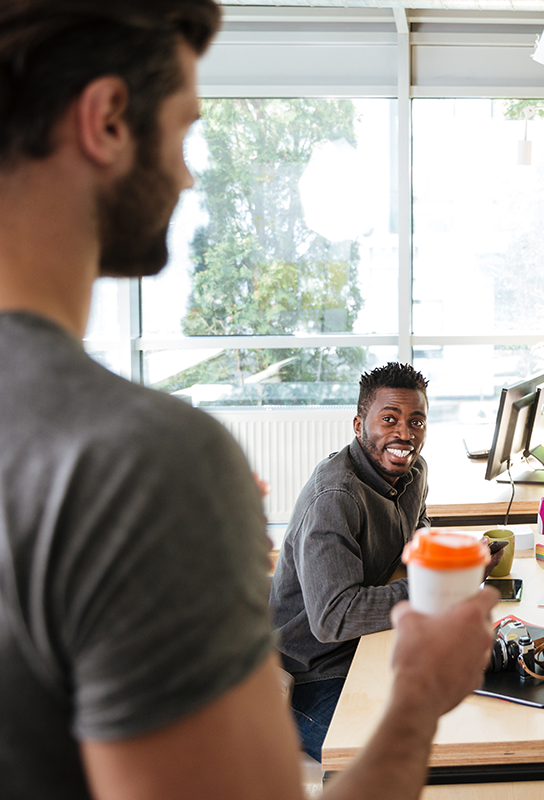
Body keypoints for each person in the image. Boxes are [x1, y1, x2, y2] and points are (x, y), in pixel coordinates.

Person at [0, 3, 497, 798]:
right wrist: (418, 699)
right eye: (185, 129)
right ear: (108, 120)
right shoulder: (145, 458)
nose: (190, 173)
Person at [271, 362, 500, 761]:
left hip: (371, 645)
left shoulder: (413, 472)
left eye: (417, 422)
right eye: (389, 419)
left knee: (472, 713)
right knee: (398, 760)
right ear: (359, 424)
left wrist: (458, 559)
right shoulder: (335, 498)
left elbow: (418, 531)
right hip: (312, 674)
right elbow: (333, 619)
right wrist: (445, 587)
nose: (405, 434)